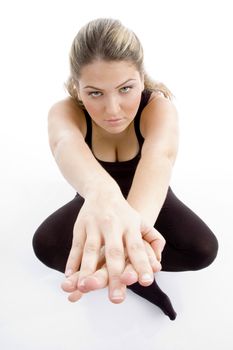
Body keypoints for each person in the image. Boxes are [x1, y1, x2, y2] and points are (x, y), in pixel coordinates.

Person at [32, 18, 218, 321]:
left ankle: (123, 267)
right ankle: (131, 272)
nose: (113, 109)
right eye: (95, 93)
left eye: (125, 89)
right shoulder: (65, 112)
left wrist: (131, 239)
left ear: (141, 79)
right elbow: (64, 144)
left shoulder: (157, 108)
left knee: (202, 249)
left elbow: (160, 158)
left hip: (151, 201)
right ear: (77, 88)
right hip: (94, 206)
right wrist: (102, 192)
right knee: (45, 245)